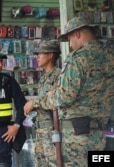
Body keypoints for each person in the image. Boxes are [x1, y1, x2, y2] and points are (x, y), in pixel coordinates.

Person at [24, 16, 114, 166]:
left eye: (70, 39)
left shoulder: (77, 58)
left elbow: (63, 97)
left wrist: (38, 101)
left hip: (75, 137)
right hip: (98, 134)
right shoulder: (110, 57)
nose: (70, 45)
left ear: (77, 34)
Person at [23, 41, 61, 166]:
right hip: (41, 131)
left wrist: (34, 102)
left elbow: (56, 100)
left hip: (52, 131)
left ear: (50, 55)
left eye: (40, 54)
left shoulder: (59, 76)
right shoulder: (44, 77)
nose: (37, 57)